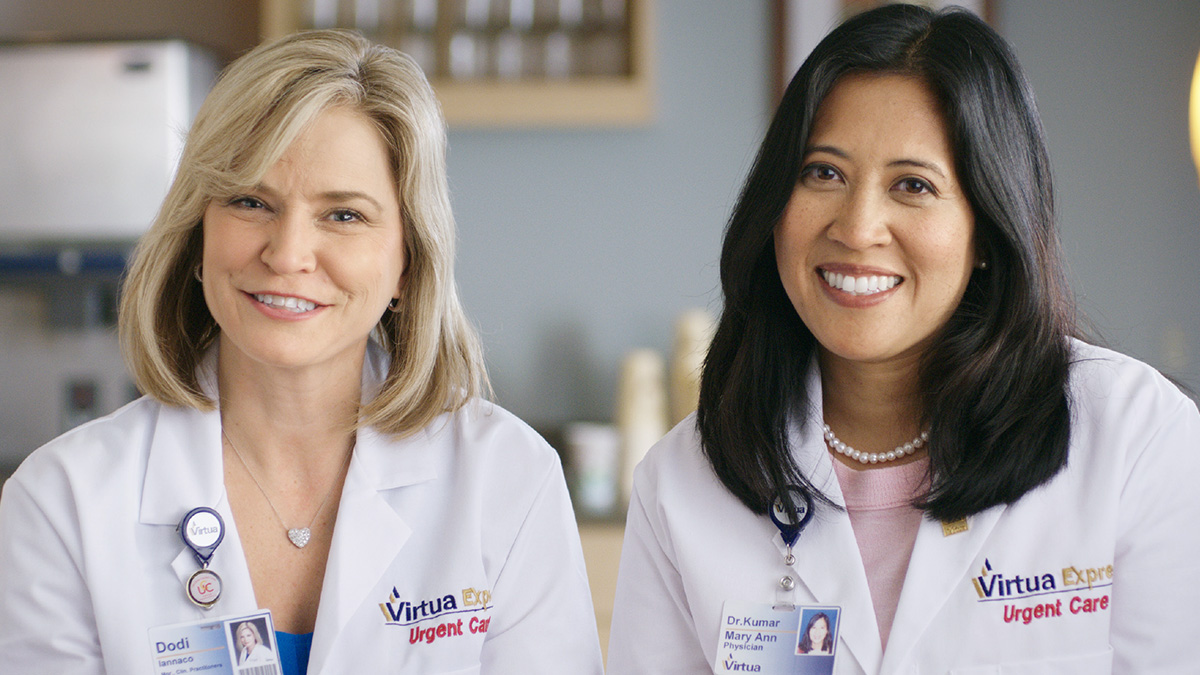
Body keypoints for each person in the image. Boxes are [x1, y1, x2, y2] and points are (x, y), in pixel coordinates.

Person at [607, 5, 1200, 674]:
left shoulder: (1137, 439)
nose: (858, 228)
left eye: (913, 185)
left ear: (988, 228)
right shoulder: (680, 484)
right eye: (823, 172)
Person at [0, 30, 603, 675]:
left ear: (407, 263)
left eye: (344, 215)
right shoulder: (63, 502)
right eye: (250, 201)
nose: (286, 255)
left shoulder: (506, 480)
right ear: (197, 235)